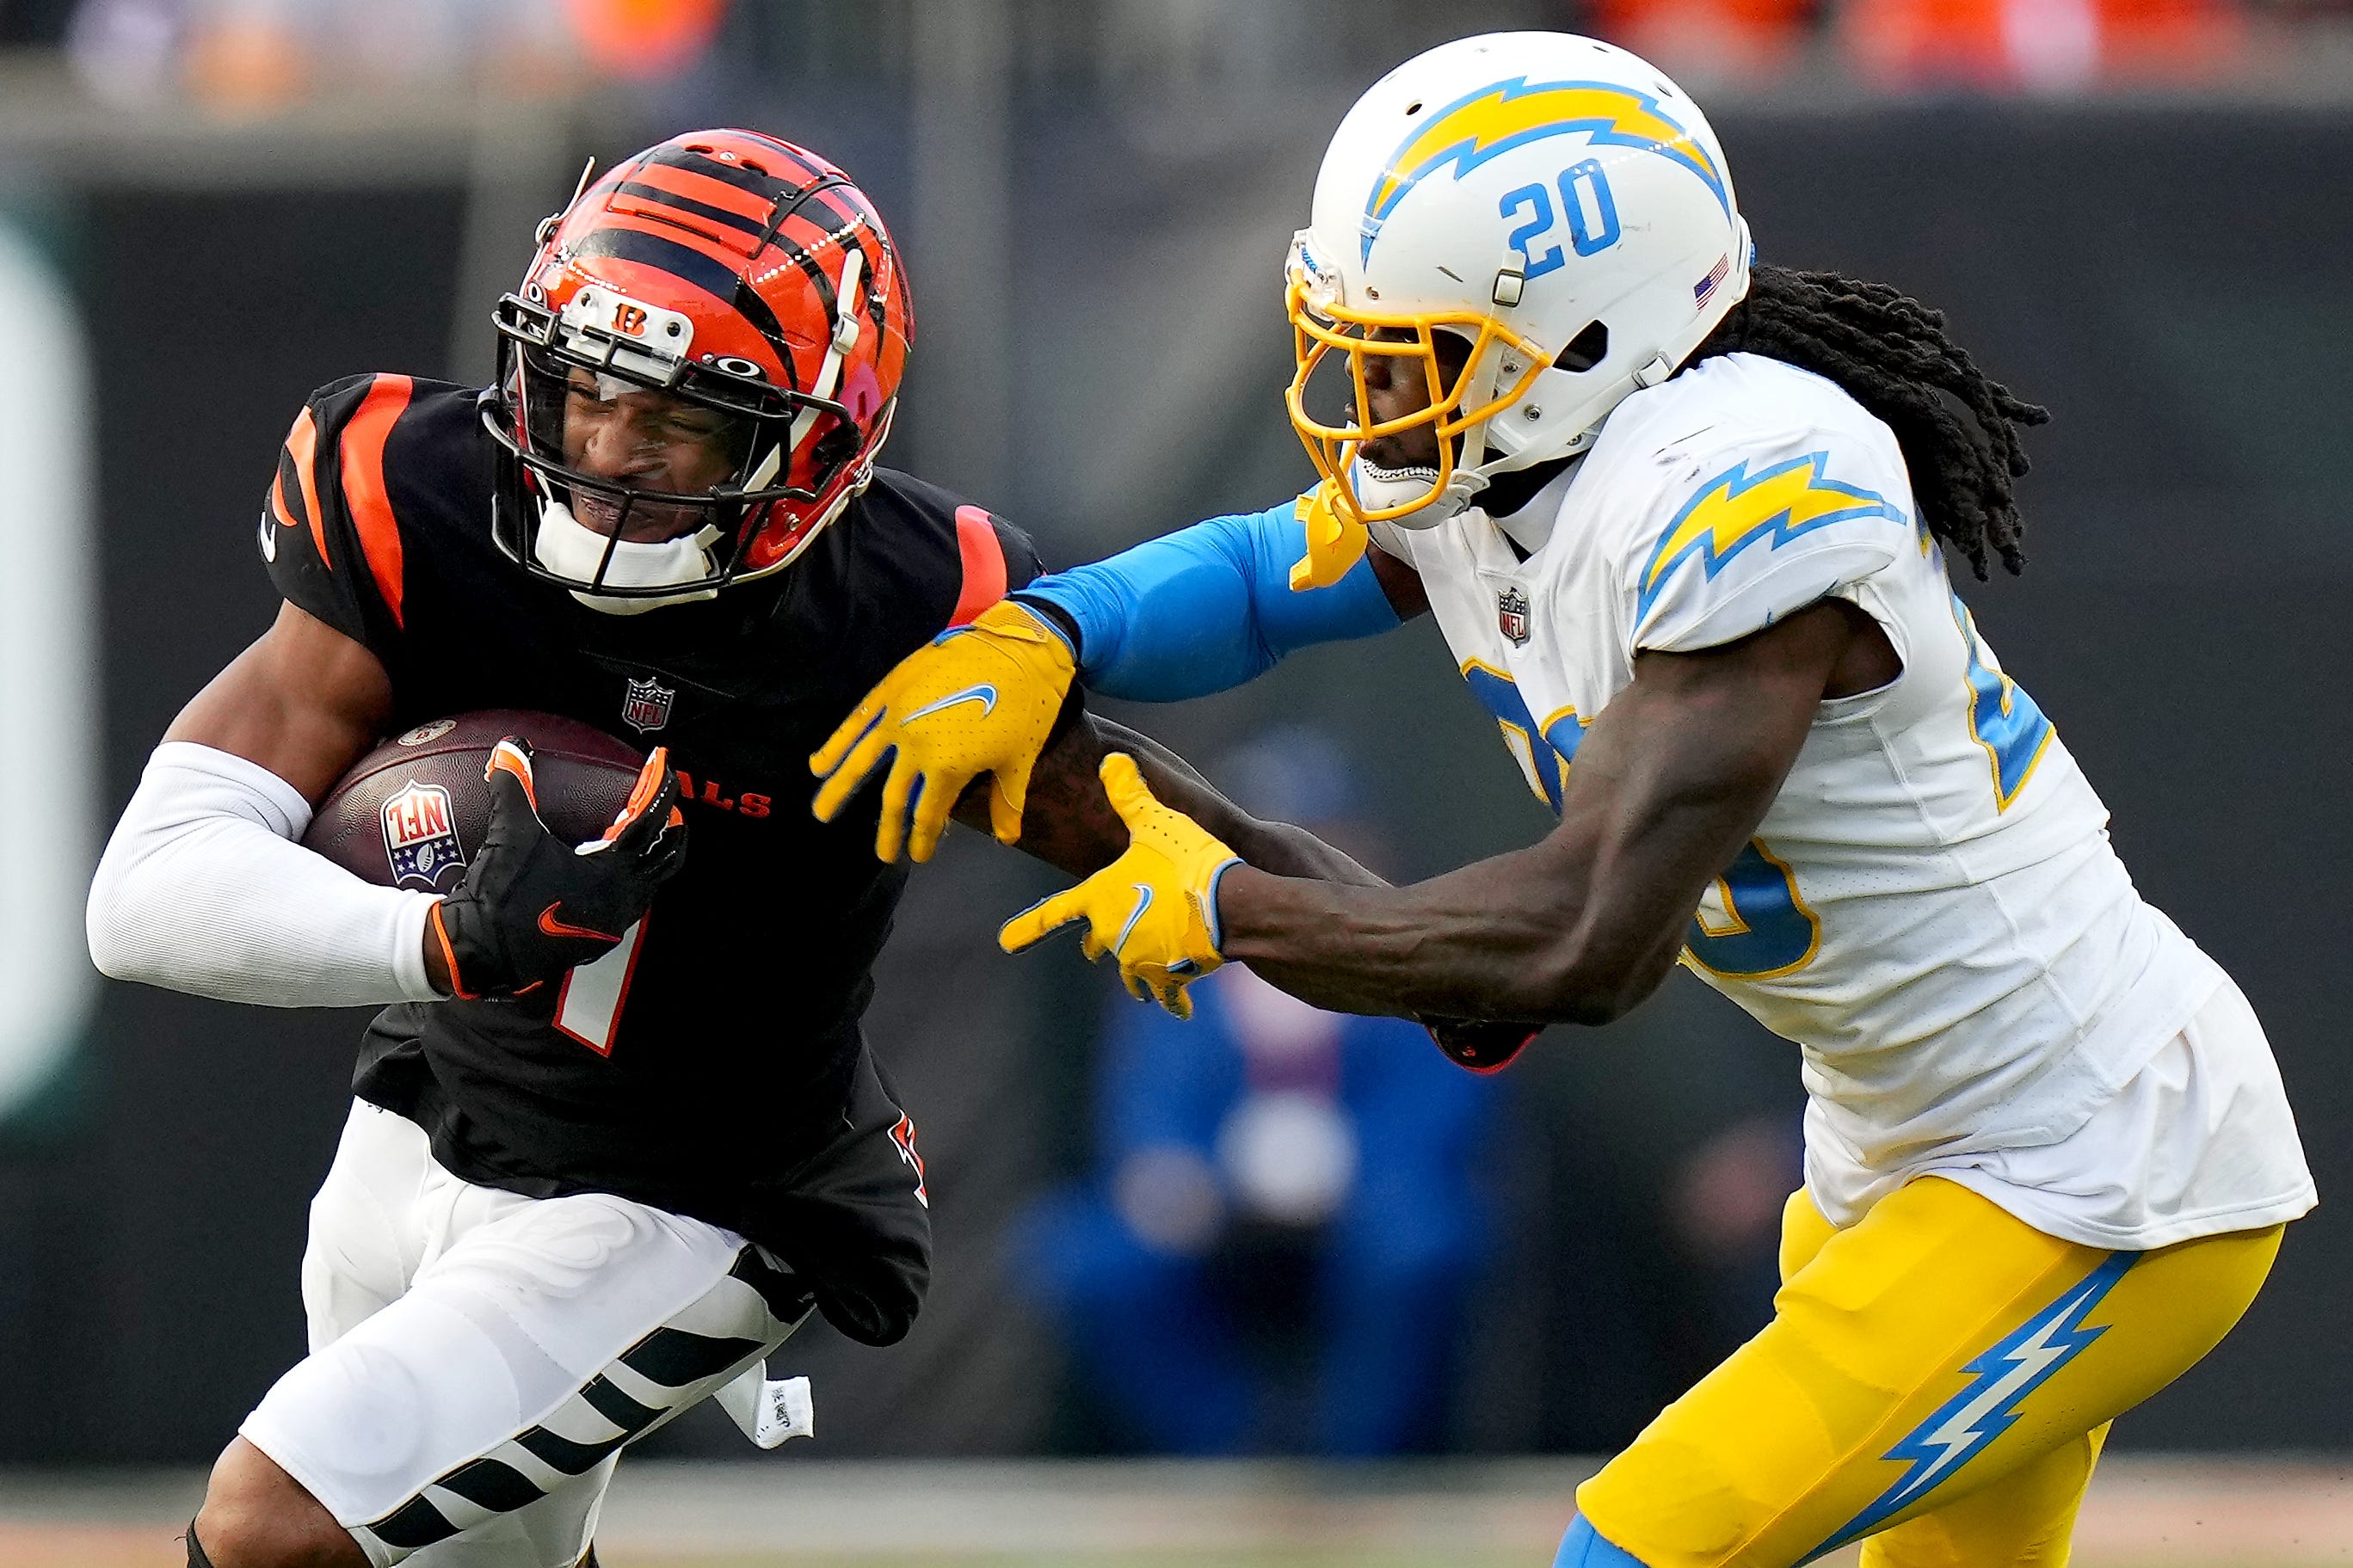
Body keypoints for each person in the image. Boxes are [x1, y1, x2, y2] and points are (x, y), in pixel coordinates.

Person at [810, 33, 2316, 1568]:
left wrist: (1230, 905)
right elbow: (1267, 574)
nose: (1366, 396)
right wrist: (1048, 629)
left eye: (1416, 355)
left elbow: (1590, 938)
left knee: (1629, 1549)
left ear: (1588, 339)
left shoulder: (1743, 489)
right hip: (1909, 1153)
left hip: (2082, 1165)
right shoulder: (1515, 465)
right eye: (1366, 345)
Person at [83, 129, 1377, 1568]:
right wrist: (440, 939)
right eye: (581, 389)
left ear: (818, 441)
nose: (604, 455)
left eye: (678, 420)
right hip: (425, 1113)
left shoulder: (903, 612)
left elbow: (1158, 825)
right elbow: (143, 893)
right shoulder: (423, 494)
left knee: (274, 1525)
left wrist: (1438, 966)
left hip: (692, 1201)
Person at [1016, 729, 1499, 1456]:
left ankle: (1355, 1462)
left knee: (1418, 1244)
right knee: (1083, 1254)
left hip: (1369, 1199)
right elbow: (1147, 1114)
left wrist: (1345, 1169)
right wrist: (1175, 1173)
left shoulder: (1415, 965)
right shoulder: (1173, 960)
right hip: (1218, 1204)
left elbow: (1445, 1109)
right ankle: (1226, 1452)